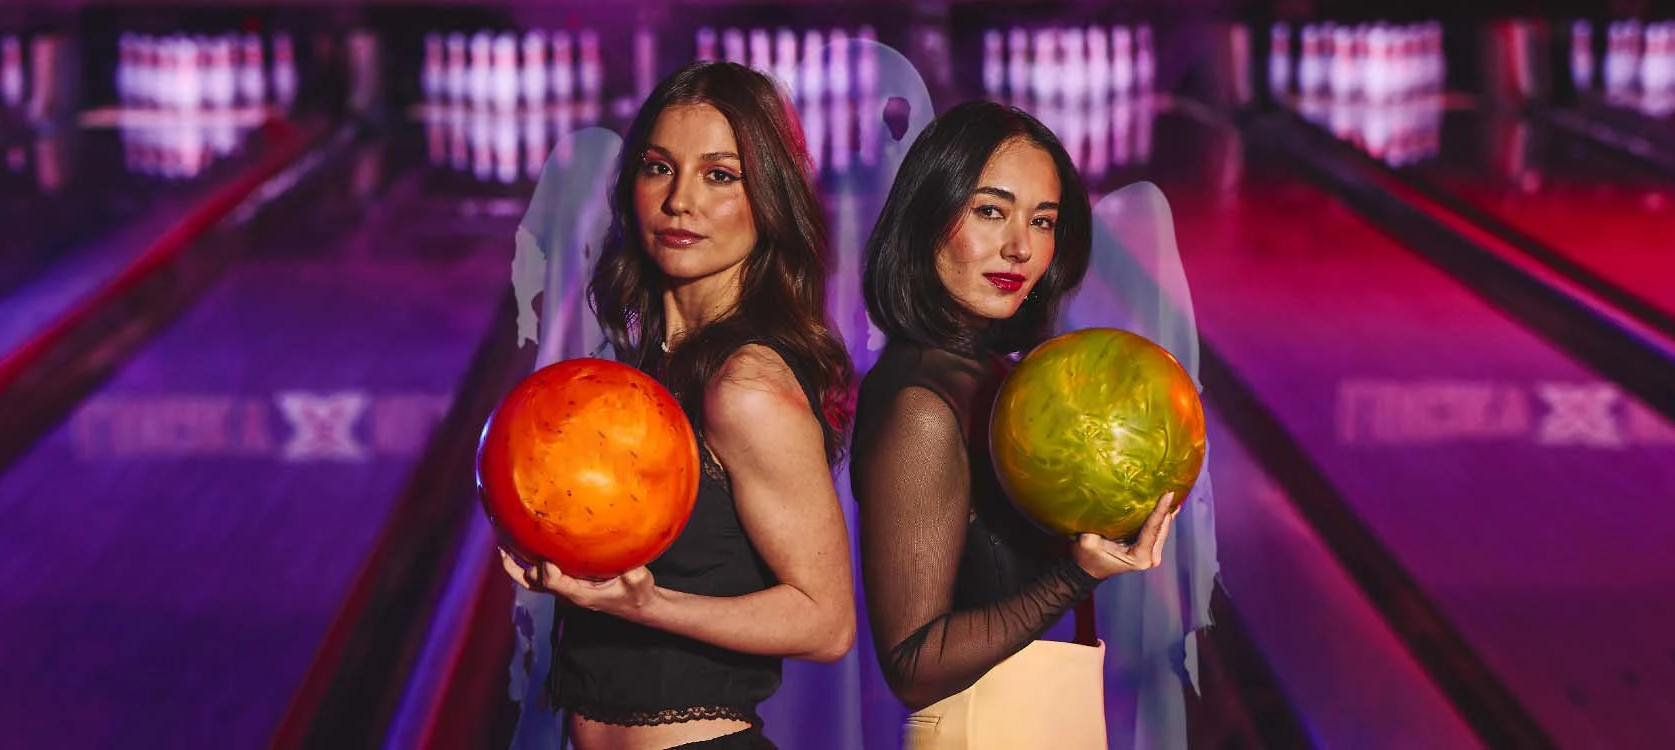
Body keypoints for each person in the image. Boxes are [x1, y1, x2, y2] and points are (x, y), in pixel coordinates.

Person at [499, 61, 857, 750]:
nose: (679, 201)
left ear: (769, 198)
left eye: (720, 175)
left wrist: (649, 604)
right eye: (660, 168)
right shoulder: (639, 367)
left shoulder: (746, 385)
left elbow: (826, 621)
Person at [851, 100, 1182, 748]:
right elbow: (913, 666)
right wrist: (1076, 575)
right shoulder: (922, 405)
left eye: (1042, 220)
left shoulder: (989, 378)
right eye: (990, 211)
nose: (1020, 247)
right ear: (927, 216)